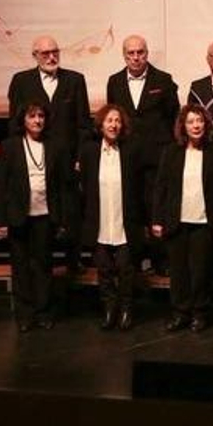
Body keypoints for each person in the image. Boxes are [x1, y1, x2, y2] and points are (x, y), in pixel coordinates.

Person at [0, 101, 73, 332]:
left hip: (45, 215)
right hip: (18, 215)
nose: (37, 120)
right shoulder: (10, 146)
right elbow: (1, 186)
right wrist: (0, 220)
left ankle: (43, 312)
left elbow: (62, 186)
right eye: (32, 116)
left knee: (43, 265)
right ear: (23, 120)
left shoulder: (55, 145)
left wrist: (62, 219)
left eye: (40, 116)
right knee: (20, 267)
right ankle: (25, 314)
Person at [151, 105, 213, 332]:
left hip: (204, 222)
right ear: (183, 126)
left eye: (200, 121)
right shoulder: (171, 152)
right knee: (178, 271)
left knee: (200, 271)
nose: (196, 126)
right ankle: (180, 313)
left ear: (206, 124)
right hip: (176, 221)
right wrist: (158, 219)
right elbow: (161, 188)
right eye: (191, 122)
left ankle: (199, 313)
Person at [78, 104, 146, 331]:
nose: (114, 125)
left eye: (117, 121)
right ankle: (109, 309)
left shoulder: (133, 150)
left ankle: (127, 309)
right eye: (109, 120)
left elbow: (140, 188)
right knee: (104, 270)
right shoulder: (89, 151)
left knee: (126, 269)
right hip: (99, 221)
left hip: (125, 221)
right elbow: (85, 187)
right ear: (101, 124)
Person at [6, 35, 93, 153]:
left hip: (67, 155)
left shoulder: (75, 80)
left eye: (55, 52)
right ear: (35, 55)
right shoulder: (21, 81)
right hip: (34, 153)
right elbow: (15, 123)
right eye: (46, 54)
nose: (52, 57)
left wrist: (81, 157)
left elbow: (84, 124)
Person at [105, 33, 179, 157]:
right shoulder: (114, 82)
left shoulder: (164, 80)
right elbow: (113, 117)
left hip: (158, 154)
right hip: (125, 152)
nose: (136, 57)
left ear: (147, 54)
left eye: (140, 52)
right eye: (131, 53)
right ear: (124, 55)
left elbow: (173, 116)